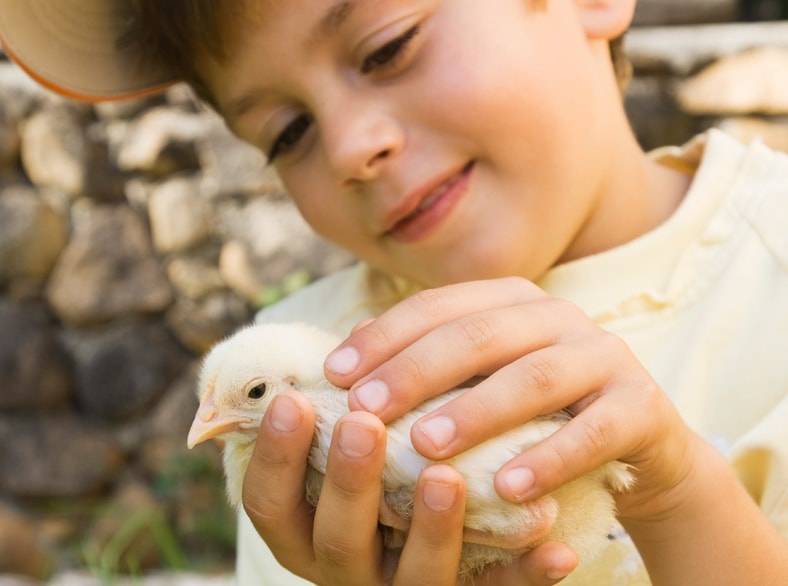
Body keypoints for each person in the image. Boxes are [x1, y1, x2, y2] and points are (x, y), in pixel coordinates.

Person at [2, 1, 786, 584]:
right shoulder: (295, 381)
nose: (350, 146)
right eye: (287, 133)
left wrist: (673, 492)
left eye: (388, 47)